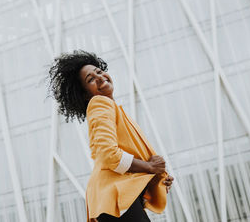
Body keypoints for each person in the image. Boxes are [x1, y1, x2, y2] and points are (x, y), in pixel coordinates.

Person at [48, 50, 174, 222]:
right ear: (85, 94)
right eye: (90, 79)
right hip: (111, 197)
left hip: (111, 199)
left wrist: (156, 178)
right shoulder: (100, 103)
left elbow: (126, 162)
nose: (99, 77)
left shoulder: (114, 110)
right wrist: (150, 168)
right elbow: (109, 154)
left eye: (99, 72)